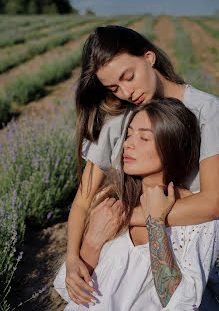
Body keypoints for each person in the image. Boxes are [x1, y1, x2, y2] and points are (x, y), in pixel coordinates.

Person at [65, 25, 219, 306]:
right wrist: (73, 258)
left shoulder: (208, 112)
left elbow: (212, 203)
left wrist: (124, 218)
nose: (126, 92)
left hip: (194, 255)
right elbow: (84, 200)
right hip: (133, 254)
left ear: (149, 57)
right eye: (114, 87)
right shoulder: (117, 122)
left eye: (129, 77)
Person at [54, 98, 219, 310]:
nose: (127, 143)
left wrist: (155, 222)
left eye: (143, 138)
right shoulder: (112, 200)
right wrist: (92, 243)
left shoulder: (199, 219)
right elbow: (76, 293)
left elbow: (180, 303)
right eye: (129, 134)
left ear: (173, 145)